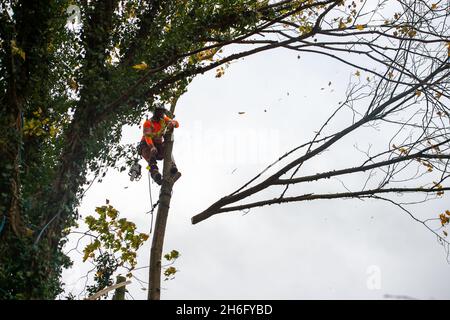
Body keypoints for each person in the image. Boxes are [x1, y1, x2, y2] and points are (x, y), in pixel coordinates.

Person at [137, 106, 180, 185]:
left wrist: (173, 123)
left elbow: (177, 124)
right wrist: (152, 147)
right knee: (151, 162)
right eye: (159, 111)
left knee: (167, 149)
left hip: (158, 145)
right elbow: (147, 137)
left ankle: (172, 166)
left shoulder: (163, 119)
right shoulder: (148, 123)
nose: (160, 113)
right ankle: (155, 174)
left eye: (162, 112)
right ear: (155, 112)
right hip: (146, 145)